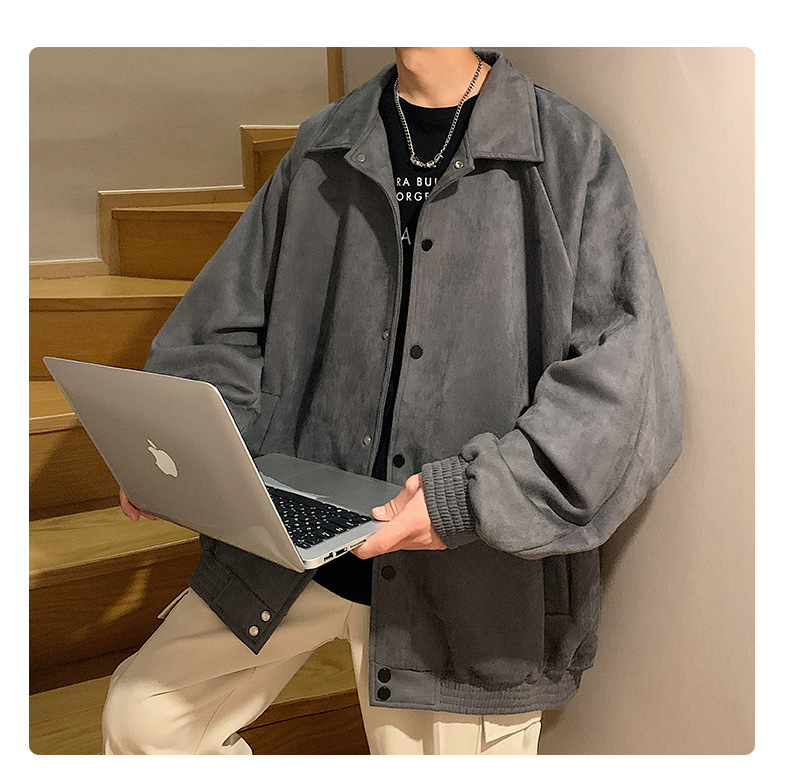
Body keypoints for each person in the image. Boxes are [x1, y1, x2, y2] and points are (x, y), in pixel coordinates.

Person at [102, 47, 684, 755]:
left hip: (466, 587)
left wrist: (461, 500)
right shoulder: (324, 143)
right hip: (300, 548)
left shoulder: (567, 152)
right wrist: (181, 453)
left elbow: (625, 393)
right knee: (140, 722)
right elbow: (219, 328)